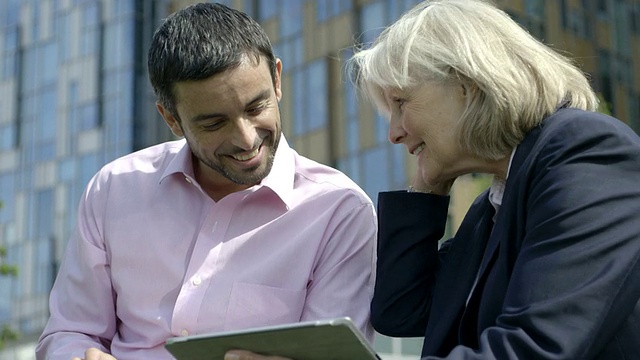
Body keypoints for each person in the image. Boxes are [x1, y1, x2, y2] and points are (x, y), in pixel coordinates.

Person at [226, 0, 640, 359]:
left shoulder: (585, 151)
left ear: (469, 84)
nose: (394, 133)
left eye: (401, 103)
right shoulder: (493, 204)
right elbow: (402, 311)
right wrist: (428, 186)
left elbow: (534, 346)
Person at [36, 3, 377, 360]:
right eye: (214, 124)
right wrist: (77, 355)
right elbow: (70, 331)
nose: (246, 139)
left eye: (256, 107)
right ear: (171, 118)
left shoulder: (339, 212)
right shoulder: (113, 190)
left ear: (277, 80)